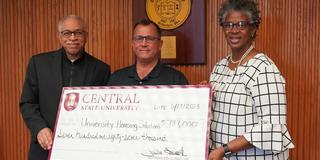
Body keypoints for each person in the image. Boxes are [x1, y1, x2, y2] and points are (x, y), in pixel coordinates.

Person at [208, 0, 294, 159]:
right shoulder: (219, 67)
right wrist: (205, 95)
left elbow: (271, 127)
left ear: (253, 29)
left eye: (241, 24)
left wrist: (224, 149)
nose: (234, 30)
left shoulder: (264, 69)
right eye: (228, 25)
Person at [19, 14, 110, 160]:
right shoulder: (39, 63)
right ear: (60, 36)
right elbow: (27, 102)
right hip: (45, 148)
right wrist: (40, 128)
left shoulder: (101, 69)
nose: (73, 38)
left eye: (78, 32)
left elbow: (104, 112)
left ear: (86, 36)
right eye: (67, 33)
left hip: (85, 150)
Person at [108, 19, 188, 85]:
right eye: (139, 38)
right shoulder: (116, 78)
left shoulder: (176, 80)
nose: (143, 44)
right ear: (132, 43)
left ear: (160, 44)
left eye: (149, 38)